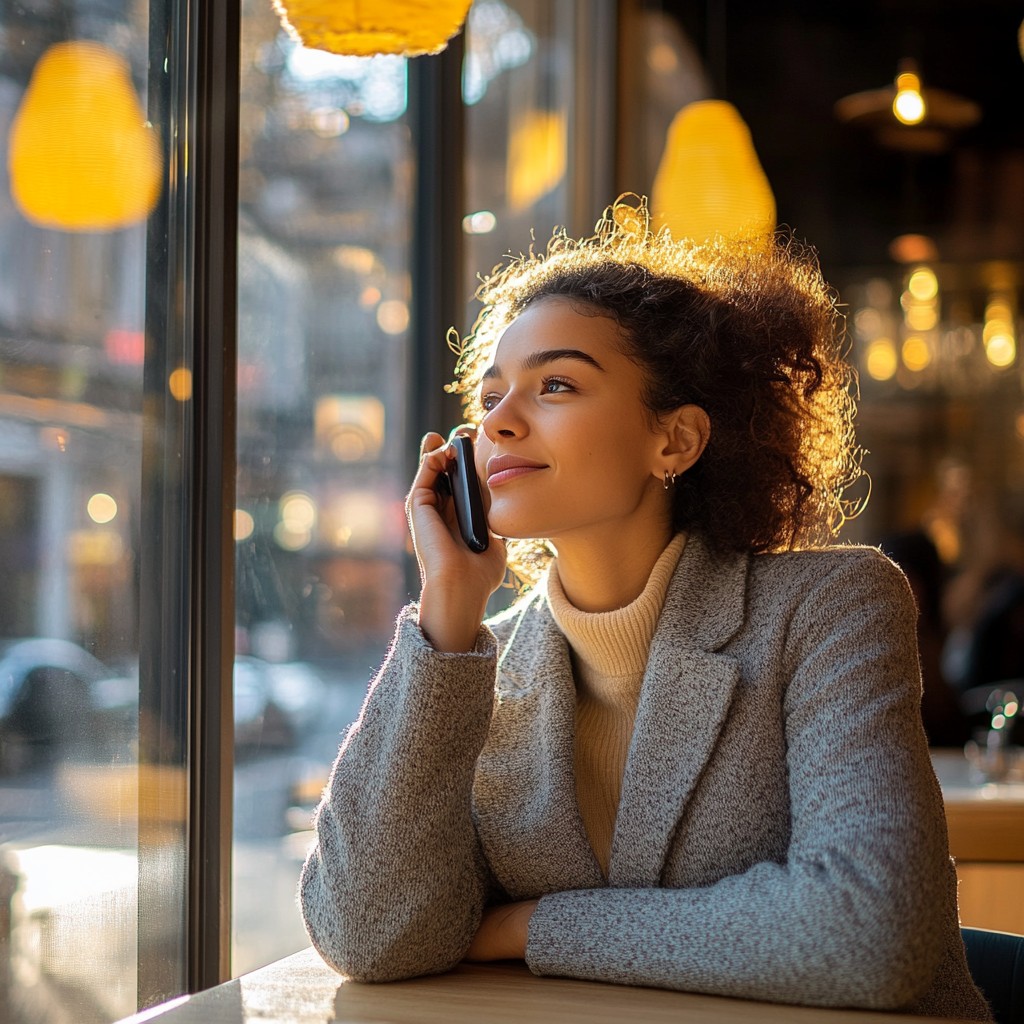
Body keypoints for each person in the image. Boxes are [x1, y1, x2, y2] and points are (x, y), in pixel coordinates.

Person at [299, 198, 990, 1020]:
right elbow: (368, 936)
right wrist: (447, 610)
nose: (500, 422)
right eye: (488, 399)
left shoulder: (830, 605)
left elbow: (870, 937)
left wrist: (531, 926)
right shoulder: (474, 668)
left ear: (676, 441)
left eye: (555, 384)